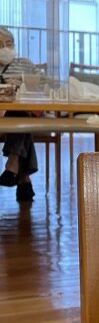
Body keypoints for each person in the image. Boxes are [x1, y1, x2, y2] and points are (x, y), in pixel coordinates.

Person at [0, 27, 39, 202]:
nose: (5, 48)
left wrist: (23, 84)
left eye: (9, 43)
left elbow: (42, 84)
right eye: (0, 45)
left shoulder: (24, 63)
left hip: (21, 112)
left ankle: (12, 165)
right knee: (23, 123)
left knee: (20, 111)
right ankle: (24, 179)